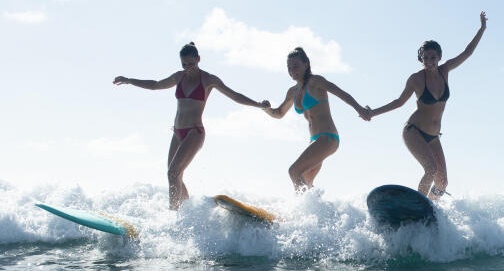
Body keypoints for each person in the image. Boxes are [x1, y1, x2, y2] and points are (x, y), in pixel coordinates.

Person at [114, 43, 268, 210]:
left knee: (173, 173)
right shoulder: (178, 77)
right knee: (175, 175)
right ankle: (187, 212)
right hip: (177, 132)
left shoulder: (209, 80)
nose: (188, 68)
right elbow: (155, 84)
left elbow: (235, 95)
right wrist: (129, 80)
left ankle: (172, 216)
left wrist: (258, 104)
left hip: (194, 132)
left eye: (191, 64)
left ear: (198, 59)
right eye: (184, 64)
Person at [360, 11, 487, 200]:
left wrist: (482, 28)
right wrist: (373, 113)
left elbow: (468, 51)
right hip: (414, 131)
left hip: (434, 136)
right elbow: (399, 102)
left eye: (433, 57)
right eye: (425, 58)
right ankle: (419, 204)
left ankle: (429, 206)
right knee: (431, 169)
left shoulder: (446, 70)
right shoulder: (416, 79)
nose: (429, 61)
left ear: (439, 57)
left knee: (442, 183)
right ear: (421, 58)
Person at [263, 47, 368, 191]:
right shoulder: (293, 92)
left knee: (294, 171)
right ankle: (321, 211)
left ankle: (303, 211)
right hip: (315, 140)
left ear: (306, 64)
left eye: (296, 66)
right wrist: (266, 109)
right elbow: (279, 113)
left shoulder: (316, 81)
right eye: (289, 67)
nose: (292, 70)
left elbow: (342, 94)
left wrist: (360, 109)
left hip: (328, 137)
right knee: (306, 181)